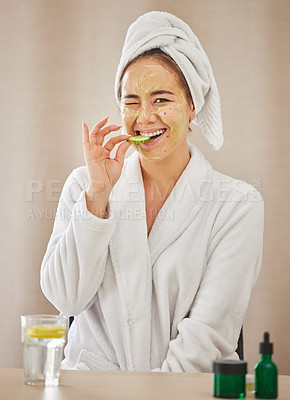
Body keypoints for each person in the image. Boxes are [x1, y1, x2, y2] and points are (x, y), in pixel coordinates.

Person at [40, 11, 264, 372]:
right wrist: (98, 197)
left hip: (182, 394)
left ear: (192, 107)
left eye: (161, 99)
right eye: (131, 101)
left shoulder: (237, 206)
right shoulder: (84, 186)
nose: (144, 116)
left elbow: (205, 341)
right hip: (89, 391)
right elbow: (65, 299)